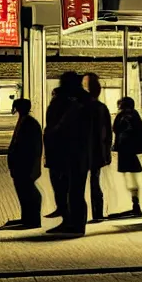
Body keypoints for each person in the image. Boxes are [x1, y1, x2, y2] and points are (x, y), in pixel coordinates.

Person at [47, 72, 91, 237]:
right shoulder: (82, 100)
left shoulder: (71, 101)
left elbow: (60, 126)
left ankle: (74, 224)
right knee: (72, 190)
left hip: (68, 151)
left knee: (70, 190)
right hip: (74, 151)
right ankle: (72, 222)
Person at [0, 99, 43, 230]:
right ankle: (28, 217)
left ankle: (32, 219)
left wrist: (34, 165)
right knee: (24, 191)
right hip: (21, 165)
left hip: (25, 165)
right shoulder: (26, 122)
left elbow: (33, 147)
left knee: (28, 190)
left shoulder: (29, 124)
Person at [43, 75, 77, 221]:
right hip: (58, 149)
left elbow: (57, 127)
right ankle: (63, 209)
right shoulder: (67, 103)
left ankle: (66, 213)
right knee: (61, 182)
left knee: (61, 182)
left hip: (59, 150)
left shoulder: (64, 104)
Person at [83, 73, 112, 222]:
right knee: (95, 182)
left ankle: (80, 215)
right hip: (97, 151)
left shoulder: (82, 107)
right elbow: (107, 132)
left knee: (79, 185)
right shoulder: (102, 108)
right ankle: (97, 213)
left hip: (83, 151)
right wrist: (107, 151)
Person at [112, 97, 142, 217]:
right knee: (131, 176)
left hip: (125, 150)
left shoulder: (122, 115)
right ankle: (135, 202)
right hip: (131, 150)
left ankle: (135, 203)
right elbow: (141, 131)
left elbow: (115, 129)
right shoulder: (135, 115)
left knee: (129, 177)